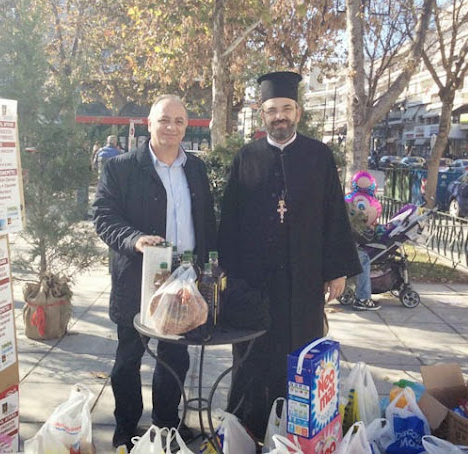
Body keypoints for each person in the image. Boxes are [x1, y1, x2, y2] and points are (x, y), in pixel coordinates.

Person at [218, 71, 362, 440]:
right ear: (262, 114)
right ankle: (246, 432)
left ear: (297, 112)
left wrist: (337, 270)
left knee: (300, 357)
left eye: (285, 109)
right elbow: (229, 221)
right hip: (254, 283)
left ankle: (298, 436)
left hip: (304, 280)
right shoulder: (246, 158)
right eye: (271, 110)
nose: (279, 116)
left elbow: (334, 214)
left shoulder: (318, 156)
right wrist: (226, 275)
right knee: (252, 358)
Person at [91, 94, 217, 449]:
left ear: (186, 127)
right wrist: (134, 239)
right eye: (164, 120)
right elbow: (103, 217)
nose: (171, 127)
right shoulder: (121, 168)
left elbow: (206, 221)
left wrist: (210, 268)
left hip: (186, 279)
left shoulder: (196, 168)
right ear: (149, 123)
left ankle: (166, 423)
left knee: (175, 357)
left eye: (179, 121)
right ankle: (126, 427)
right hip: (138, 277)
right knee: (128, 358)